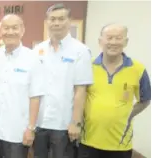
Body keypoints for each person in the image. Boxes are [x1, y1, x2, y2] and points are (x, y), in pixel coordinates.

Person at [78, 24, 151, 158]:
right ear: (100, 41)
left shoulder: (138, 69)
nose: (113, 42)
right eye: (109, 38)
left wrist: (129, 115)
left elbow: (145, 99)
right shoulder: (88, 66)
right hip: (87, 142)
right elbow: (78, 95)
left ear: (126, 42)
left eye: (118, 38)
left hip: (120, 144)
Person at [0, 14, 44, 158]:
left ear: (22, 30)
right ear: (0, 31)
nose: (10, 32)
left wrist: (31, 128)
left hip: (17, 132)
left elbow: (35, 97)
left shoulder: (33, 59)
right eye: (6, 28)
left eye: (15, 28)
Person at [32, 3, 93, 158]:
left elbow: (81, 90)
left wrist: (76, 122)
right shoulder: (38, 50)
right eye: (53, 19)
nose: (56, 23)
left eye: (61, 19)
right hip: (39, 122)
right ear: (47, 21)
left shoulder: (80, 51)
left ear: (69, 21)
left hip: (64, 125)